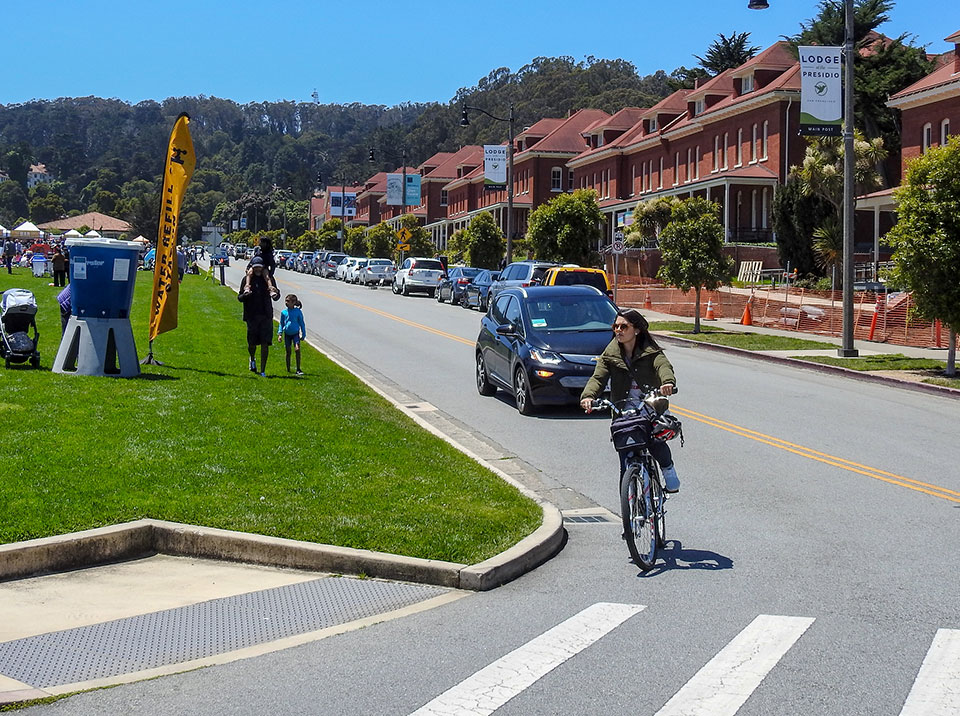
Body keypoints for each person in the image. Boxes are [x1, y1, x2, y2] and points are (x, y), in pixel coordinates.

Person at [580, 308, 680, 493]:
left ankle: (668, 470)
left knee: (655, 441)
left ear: (636, 330)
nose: (618, 330)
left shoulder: (651, 352)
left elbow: (663, 366)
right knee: (625, 453)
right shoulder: (610, 354)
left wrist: (667, 383)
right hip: (623, 408)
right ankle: (629, 500)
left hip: (650, 404)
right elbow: (598, 378)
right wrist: (588, 396)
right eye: (616, 326)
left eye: (624, 326)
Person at [238, 256, 280, 376]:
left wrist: (275, 293)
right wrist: (246, 295)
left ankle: (263, 370)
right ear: (252, 268)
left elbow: (277, 297)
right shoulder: (246, 280)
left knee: (265, 343)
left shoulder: (269, 280)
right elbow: (240, 298)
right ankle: (252, 358)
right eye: (255, 267)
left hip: (266, 315)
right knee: (251, 343)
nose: (258, 270)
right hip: (252, 315)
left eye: (260, 268)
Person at [277, 294, 306, 375]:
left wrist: (303, 334)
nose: (286, 303)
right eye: (285, 301)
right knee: (288, 351)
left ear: (293, 302)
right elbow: (281, 324)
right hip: (287, 334)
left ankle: (298, 368)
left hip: (295, 334)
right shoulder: (284, 312)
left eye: (288, 301)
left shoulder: (298, 312)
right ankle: (288, 368)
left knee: (297, 349)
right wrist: (280, 334)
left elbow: (302, 323)